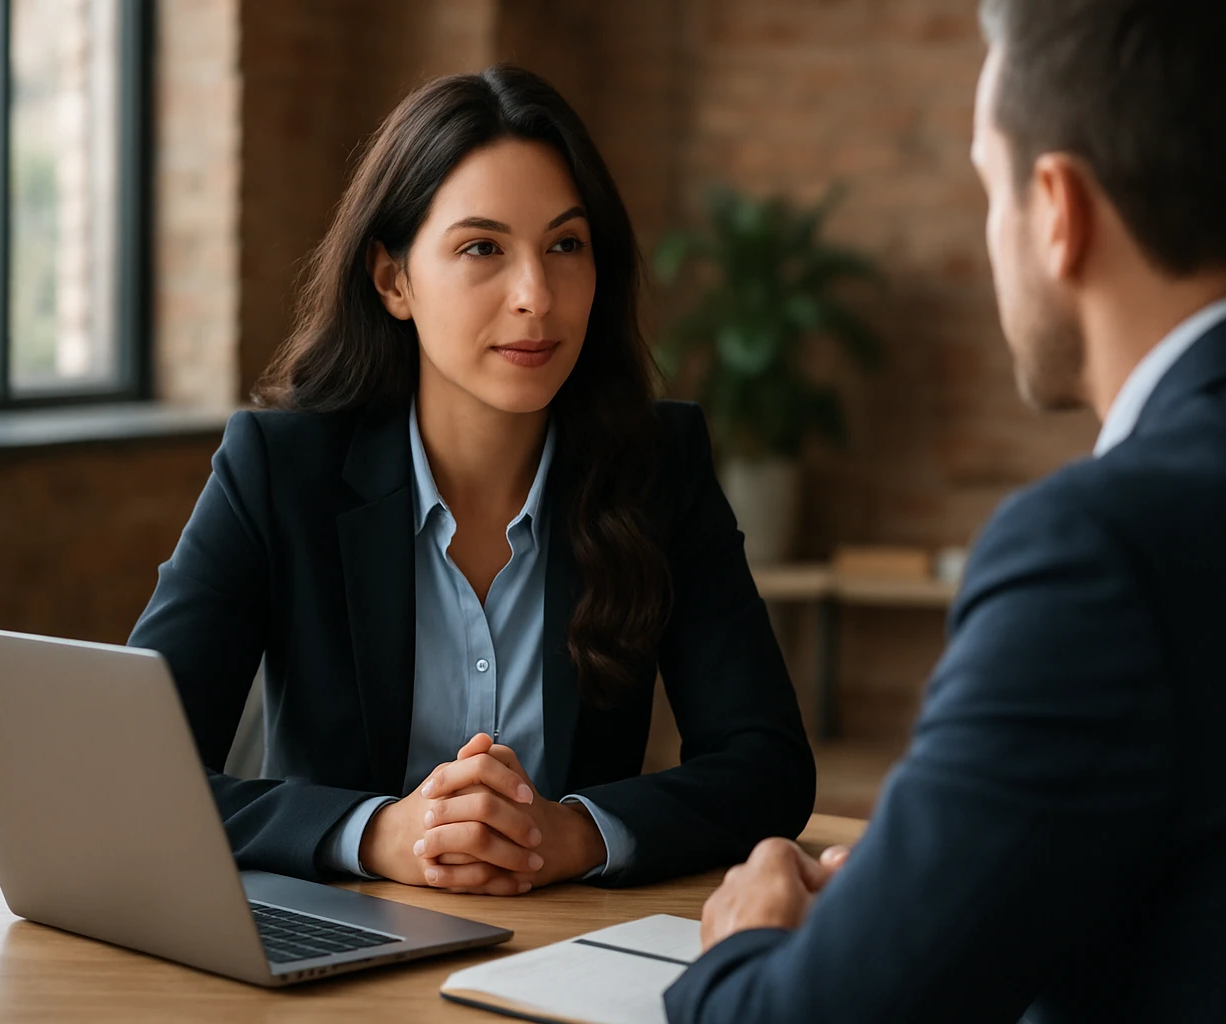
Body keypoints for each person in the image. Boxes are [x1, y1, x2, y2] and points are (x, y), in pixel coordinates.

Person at [666, 1, 1226, 1021]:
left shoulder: (1096, 551)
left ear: (1057, 209)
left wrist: (745, 939)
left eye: (990, 187)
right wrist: (939, 874)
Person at [129, 66, 814, 896]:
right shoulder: (277, 470)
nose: (536, 296)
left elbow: (767, 764)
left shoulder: (657, 466)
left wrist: (575, 833)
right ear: (394, 280)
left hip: (568, 940)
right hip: (339, 941)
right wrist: (375, 833)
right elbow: (133, 771)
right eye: (482, 248)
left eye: (565, 245)